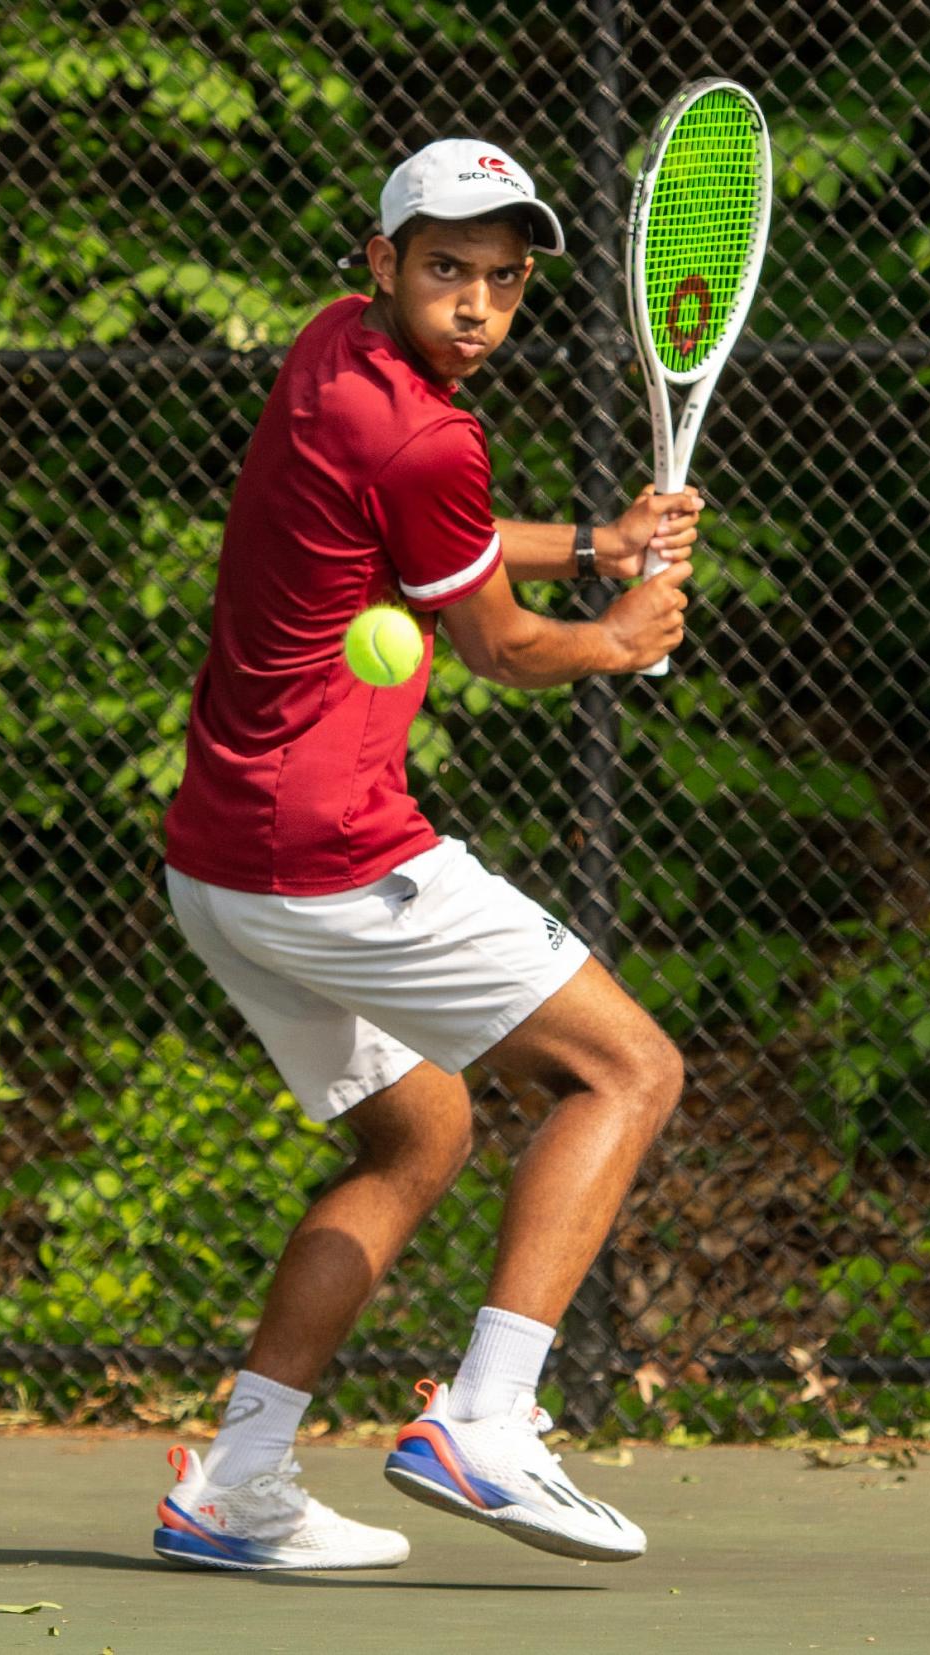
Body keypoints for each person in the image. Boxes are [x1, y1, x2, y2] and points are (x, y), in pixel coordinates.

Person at [153, 137, 702, 1572]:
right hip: (330, 853)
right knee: (627, 1069)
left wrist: (594, 542)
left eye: (503, 281)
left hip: (217, 855)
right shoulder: (423, 430)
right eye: (445, 267)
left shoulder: (333, 355)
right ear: (382, 264)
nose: (474, 302)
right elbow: (501, 645)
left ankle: (238, 1480)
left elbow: (433, 536)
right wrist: (618, 636)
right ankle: (487, 1417)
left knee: (421, 1130)